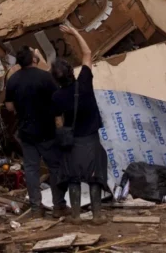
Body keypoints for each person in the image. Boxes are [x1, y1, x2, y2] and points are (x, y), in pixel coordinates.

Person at [52, 25, 110, 224]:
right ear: (71, 71)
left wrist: (62, 133)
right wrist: (74, 32)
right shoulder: (84, 82)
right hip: (91, 139)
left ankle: (76, 215)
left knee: (73, 177)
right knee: (95, 176)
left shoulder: (57, 96)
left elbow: (58, 122)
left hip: (73, 142)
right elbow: (87, 53)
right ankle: (96, 216)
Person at [4, 46, 68, 219]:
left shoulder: (13, 80)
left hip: (26, 132)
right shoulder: (46, 78)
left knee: (31, 170)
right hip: (47, 131)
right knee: (55, 168)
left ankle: (35, 208)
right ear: (33, 59)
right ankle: (58, 206)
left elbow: (9, 106)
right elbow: (58, 100)